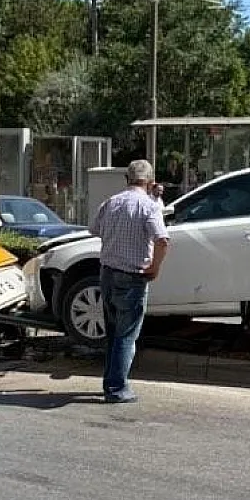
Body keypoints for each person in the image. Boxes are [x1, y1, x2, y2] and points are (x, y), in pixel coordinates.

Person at [88, 159, 171, 404]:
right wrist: (155, 268)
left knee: (113, 332)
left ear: (127, 179)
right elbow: (162, 240)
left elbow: (93, 230)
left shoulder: (111, 202)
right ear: (149, 181)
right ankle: (116, 388)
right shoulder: (148, 207)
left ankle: (110, 381)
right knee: (126, 335)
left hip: (107, 273)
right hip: (133, 277)